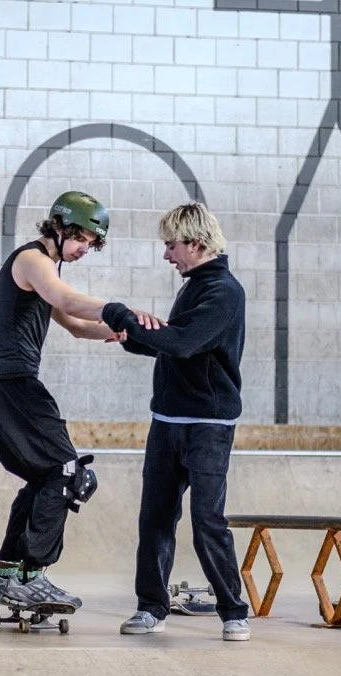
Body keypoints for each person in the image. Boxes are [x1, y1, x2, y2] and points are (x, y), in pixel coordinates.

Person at [0, 190, 161, 612]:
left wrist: (127, 333)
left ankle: (8, 575)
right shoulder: (32, 260)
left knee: (45, 477)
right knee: (67, 472)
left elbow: (75, 323)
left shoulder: (46, 270)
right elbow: (68, 300)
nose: (83, 250)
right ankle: (31, 576)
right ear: (58, 226)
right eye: (81, 239)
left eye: (91, 245)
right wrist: (121, 310)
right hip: (12, 382)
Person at [102, 202, 251, 641]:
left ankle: (233, 612)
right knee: (155, 518)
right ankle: (151, 607)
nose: (167, 255)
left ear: (197, 243)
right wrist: (131, 337)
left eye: (172, 245)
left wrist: (120, 314)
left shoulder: (223, 291)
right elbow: (173, 342)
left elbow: (184, 342)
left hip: (208, 426)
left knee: (207, 520)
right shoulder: (195, 287)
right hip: (167, 420)